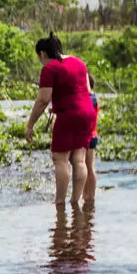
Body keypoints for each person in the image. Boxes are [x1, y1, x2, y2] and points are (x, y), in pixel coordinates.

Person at [25, 33, 98, 209]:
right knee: (79, 160)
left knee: (60, 159)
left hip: (69, 114)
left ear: (43, 54)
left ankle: (60, 203)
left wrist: (30, 124)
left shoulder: (50, 69)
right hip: (87, 113)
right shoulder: (78, 62)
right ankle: (75, 201)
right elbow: (88, 91)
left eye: (39, 57)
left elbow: (43, 100)